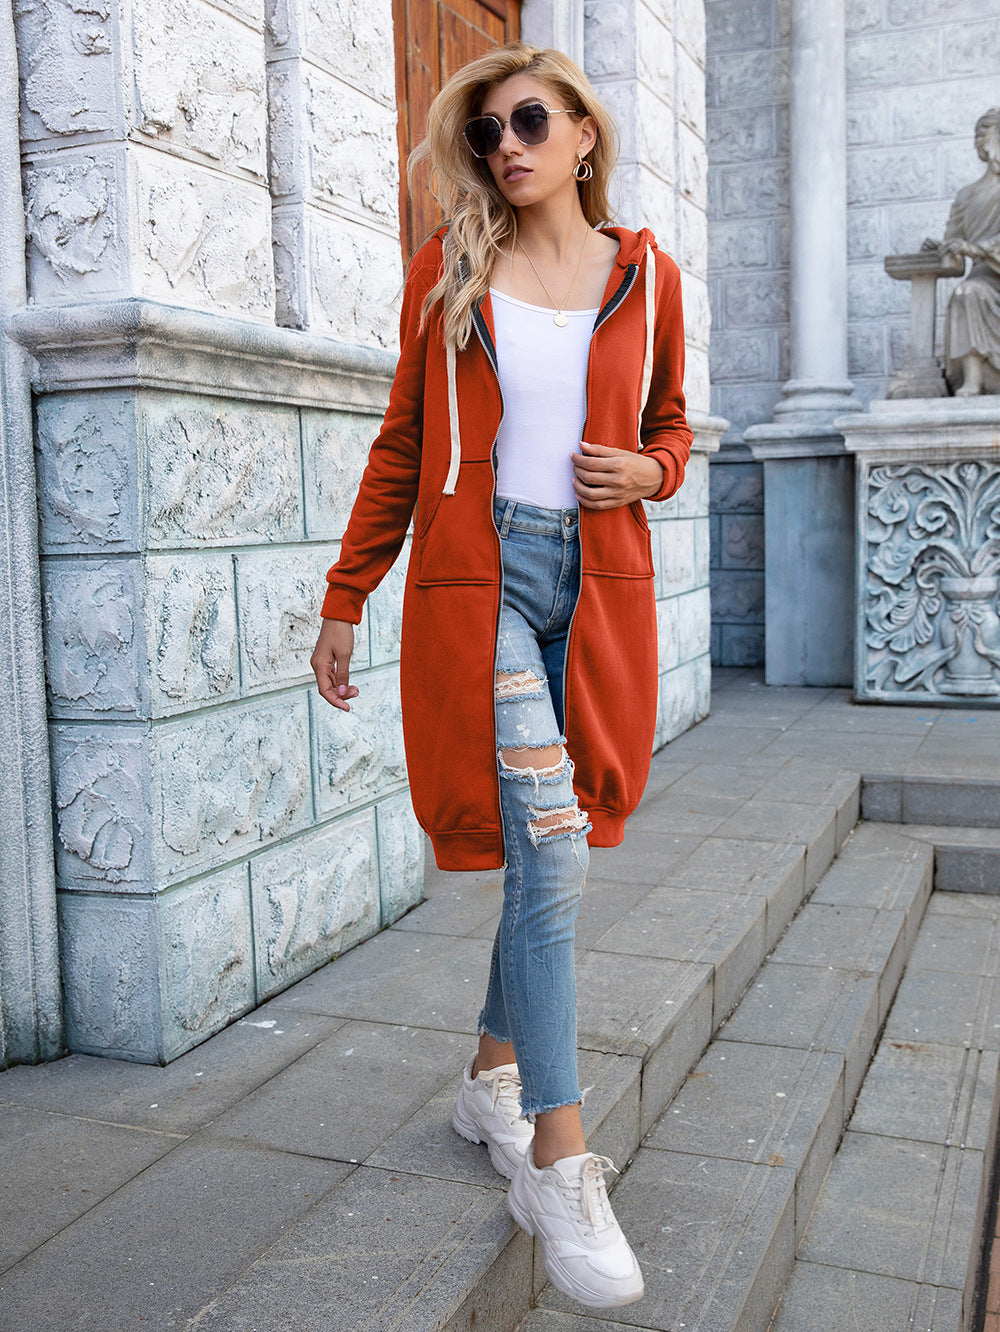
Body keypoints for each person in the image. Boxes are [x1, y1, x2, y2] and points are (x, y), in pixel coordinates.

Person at [310, 40, 692, 1310]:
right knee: (554, 848)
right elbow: (402, 442)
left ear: (583, 133)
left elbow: (670, 426)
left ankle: (488, 1079)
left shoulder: (647, 276)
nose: (506, 147)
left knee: (550, 849)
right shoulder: (450, 268)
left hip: (598, 586)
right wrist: (346, 596)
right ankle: (558, 1163)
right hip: (482, 586)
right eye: (484, 134)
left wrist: (651, 472)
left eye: (529, 121)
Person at [926, 107, 1000, 396]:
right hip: (984, 280)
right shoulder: (966, 196)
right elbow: (954, 243)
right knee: (966, 293)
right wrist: (942, 247)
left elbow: (970, 246)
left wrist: (976, 249)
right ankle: (973, 379)